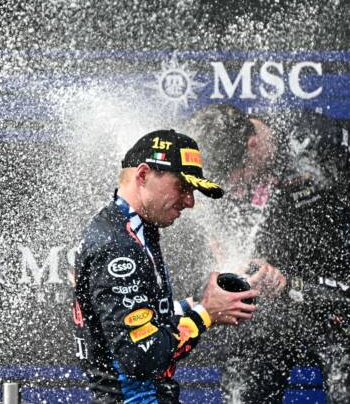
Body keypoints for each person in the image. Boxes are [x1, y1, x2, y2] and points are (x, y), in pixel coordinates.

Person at [72, 129, 259, 403]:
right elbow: (141, 356)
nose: (190, 201)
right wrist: (206, 313)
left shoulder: (130, 230)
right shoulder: (118, 245)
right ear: (143, 175)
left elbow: (142, 319)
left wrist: (200, 300)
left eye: (193, 190)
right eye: (182, 187)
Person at [184, 103, 350, 403]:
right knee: (242, 395)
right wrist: (225, 270)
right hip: (267, 312)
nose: (232, 187)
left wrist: (292, 283)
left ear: (253, 144)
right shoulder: (215, 174)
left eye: (236, 175)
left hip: (333, 302)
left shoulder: (318, 140)